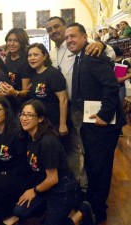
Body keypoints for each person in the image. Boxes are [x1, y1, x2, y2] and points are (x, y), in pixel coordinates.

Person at [46, 16, 115, 190]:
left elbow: (111, 56)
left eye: (57, 27)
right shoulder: (52, 53)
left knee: (88, 150)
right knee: (72, 147)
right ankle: (76, 183)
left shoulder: (87, 46)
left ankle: (87, 187)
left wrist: (102, 44)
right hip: (63, 106)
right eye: (49, 29)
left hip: (84, 107)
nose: (53, 31)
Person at [65, 22, 125, 224]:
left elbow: (111, 86)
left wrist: (104, 115)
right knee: (93, 165)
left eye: (73, 36)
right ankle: (92, 205)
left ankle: (98, 211)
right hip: (91, 122)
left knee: (100, 168)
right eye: (67, 37)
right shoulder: (80, 58)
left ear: (84, 37)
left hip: (103, 124)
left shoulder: (93, 56)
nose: (69, 40)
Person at [8, 100, 81, 225]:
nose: (24, 118)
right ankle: (49, 211)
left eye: (30, 115)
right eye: (22, 114)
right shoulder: (29, 136)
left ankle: (81, 213)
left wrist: (34, 191)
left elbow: (53, 179)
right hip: (44, 184)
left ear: (40, 118)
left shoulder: (47, 142)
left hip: (62, 188)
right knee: (20, 211)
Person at [0, 96, 32, 223]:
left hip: (24, 178)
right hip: (8, 175)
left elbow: (26, 164)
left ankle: (12, 214)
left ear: (6, 111)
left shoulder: (16, 133)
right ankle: (5, 214)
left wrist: (6, 174)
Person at [27, 43, 68, 136]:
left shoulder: (53, 74)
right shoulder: (33, 74)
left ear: (45, 56)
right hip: (39, 122)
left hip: (53, 123)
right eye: (29, 55)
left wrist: (62, 124)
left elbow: (63, 100)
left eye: (36, 55)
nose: (32, 58)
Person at [0, 28, 33, 114]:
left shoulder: (25, 61)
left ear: (22, 42)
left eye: (16, 41)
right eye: (9, 40)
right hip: (10, 103)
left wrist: (15, 93)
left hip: (23, 105)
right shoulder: (8, 58)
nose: (12, 44)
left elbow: (26, 91)